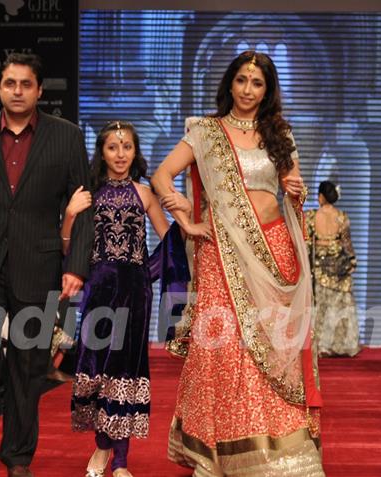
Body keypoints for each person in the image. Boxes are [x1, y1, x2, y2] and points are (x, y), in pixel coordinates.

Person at [152, 51, 324, 476]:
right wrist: (185, 220)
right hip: (221, 254)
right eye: (242, 80)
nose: (248, 90)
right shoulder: (206, 132)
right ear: (230, 84)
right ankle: (221, 450)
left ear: (267, 90)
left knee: (275, 348)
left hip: (275, 251)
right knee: (226, 349)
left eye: (257, 83)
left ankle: (279, 450)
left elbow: (292, 187)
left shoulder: (279, 133)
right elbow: (161, 176)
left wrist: (298, 192)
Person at [0, 52, 94, 477]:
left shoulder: (67, 136)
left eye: (26, 84)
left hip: (38, 266)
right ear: (0, 88)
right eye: (10, 83)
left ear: (39, 90)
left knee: (27, 370)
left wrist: (76, 266)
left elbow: (85, 207)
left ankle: (19, 459)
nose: (18, 91)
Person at [70, 121, 172, 477]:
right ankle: (102, 450)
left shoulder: (144, 194)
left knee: (125, 370)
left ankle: (120, 462)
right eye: (113, 147)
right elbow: (67, 244)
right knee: (98, 369)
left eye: (126, 146)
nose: (120, 154)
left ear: (135, 151)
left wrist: (147, 272)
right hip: (97, 291)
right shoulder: (89, 194)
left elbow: (169, 239)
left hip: (134, 294)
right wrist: (69, 213)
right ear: (102, 152)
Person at [305, 180, 360, 357]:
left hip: (319, 266)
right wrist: (352, 261)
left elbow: (307, 244)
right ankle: (343, 345)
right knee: (341, 305)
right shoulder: (342, 216)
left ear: (320, 196)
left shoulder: (311, 216)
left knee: (322, 306)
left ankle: (321, 346)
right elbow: (347, 243)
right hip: (340, 266)